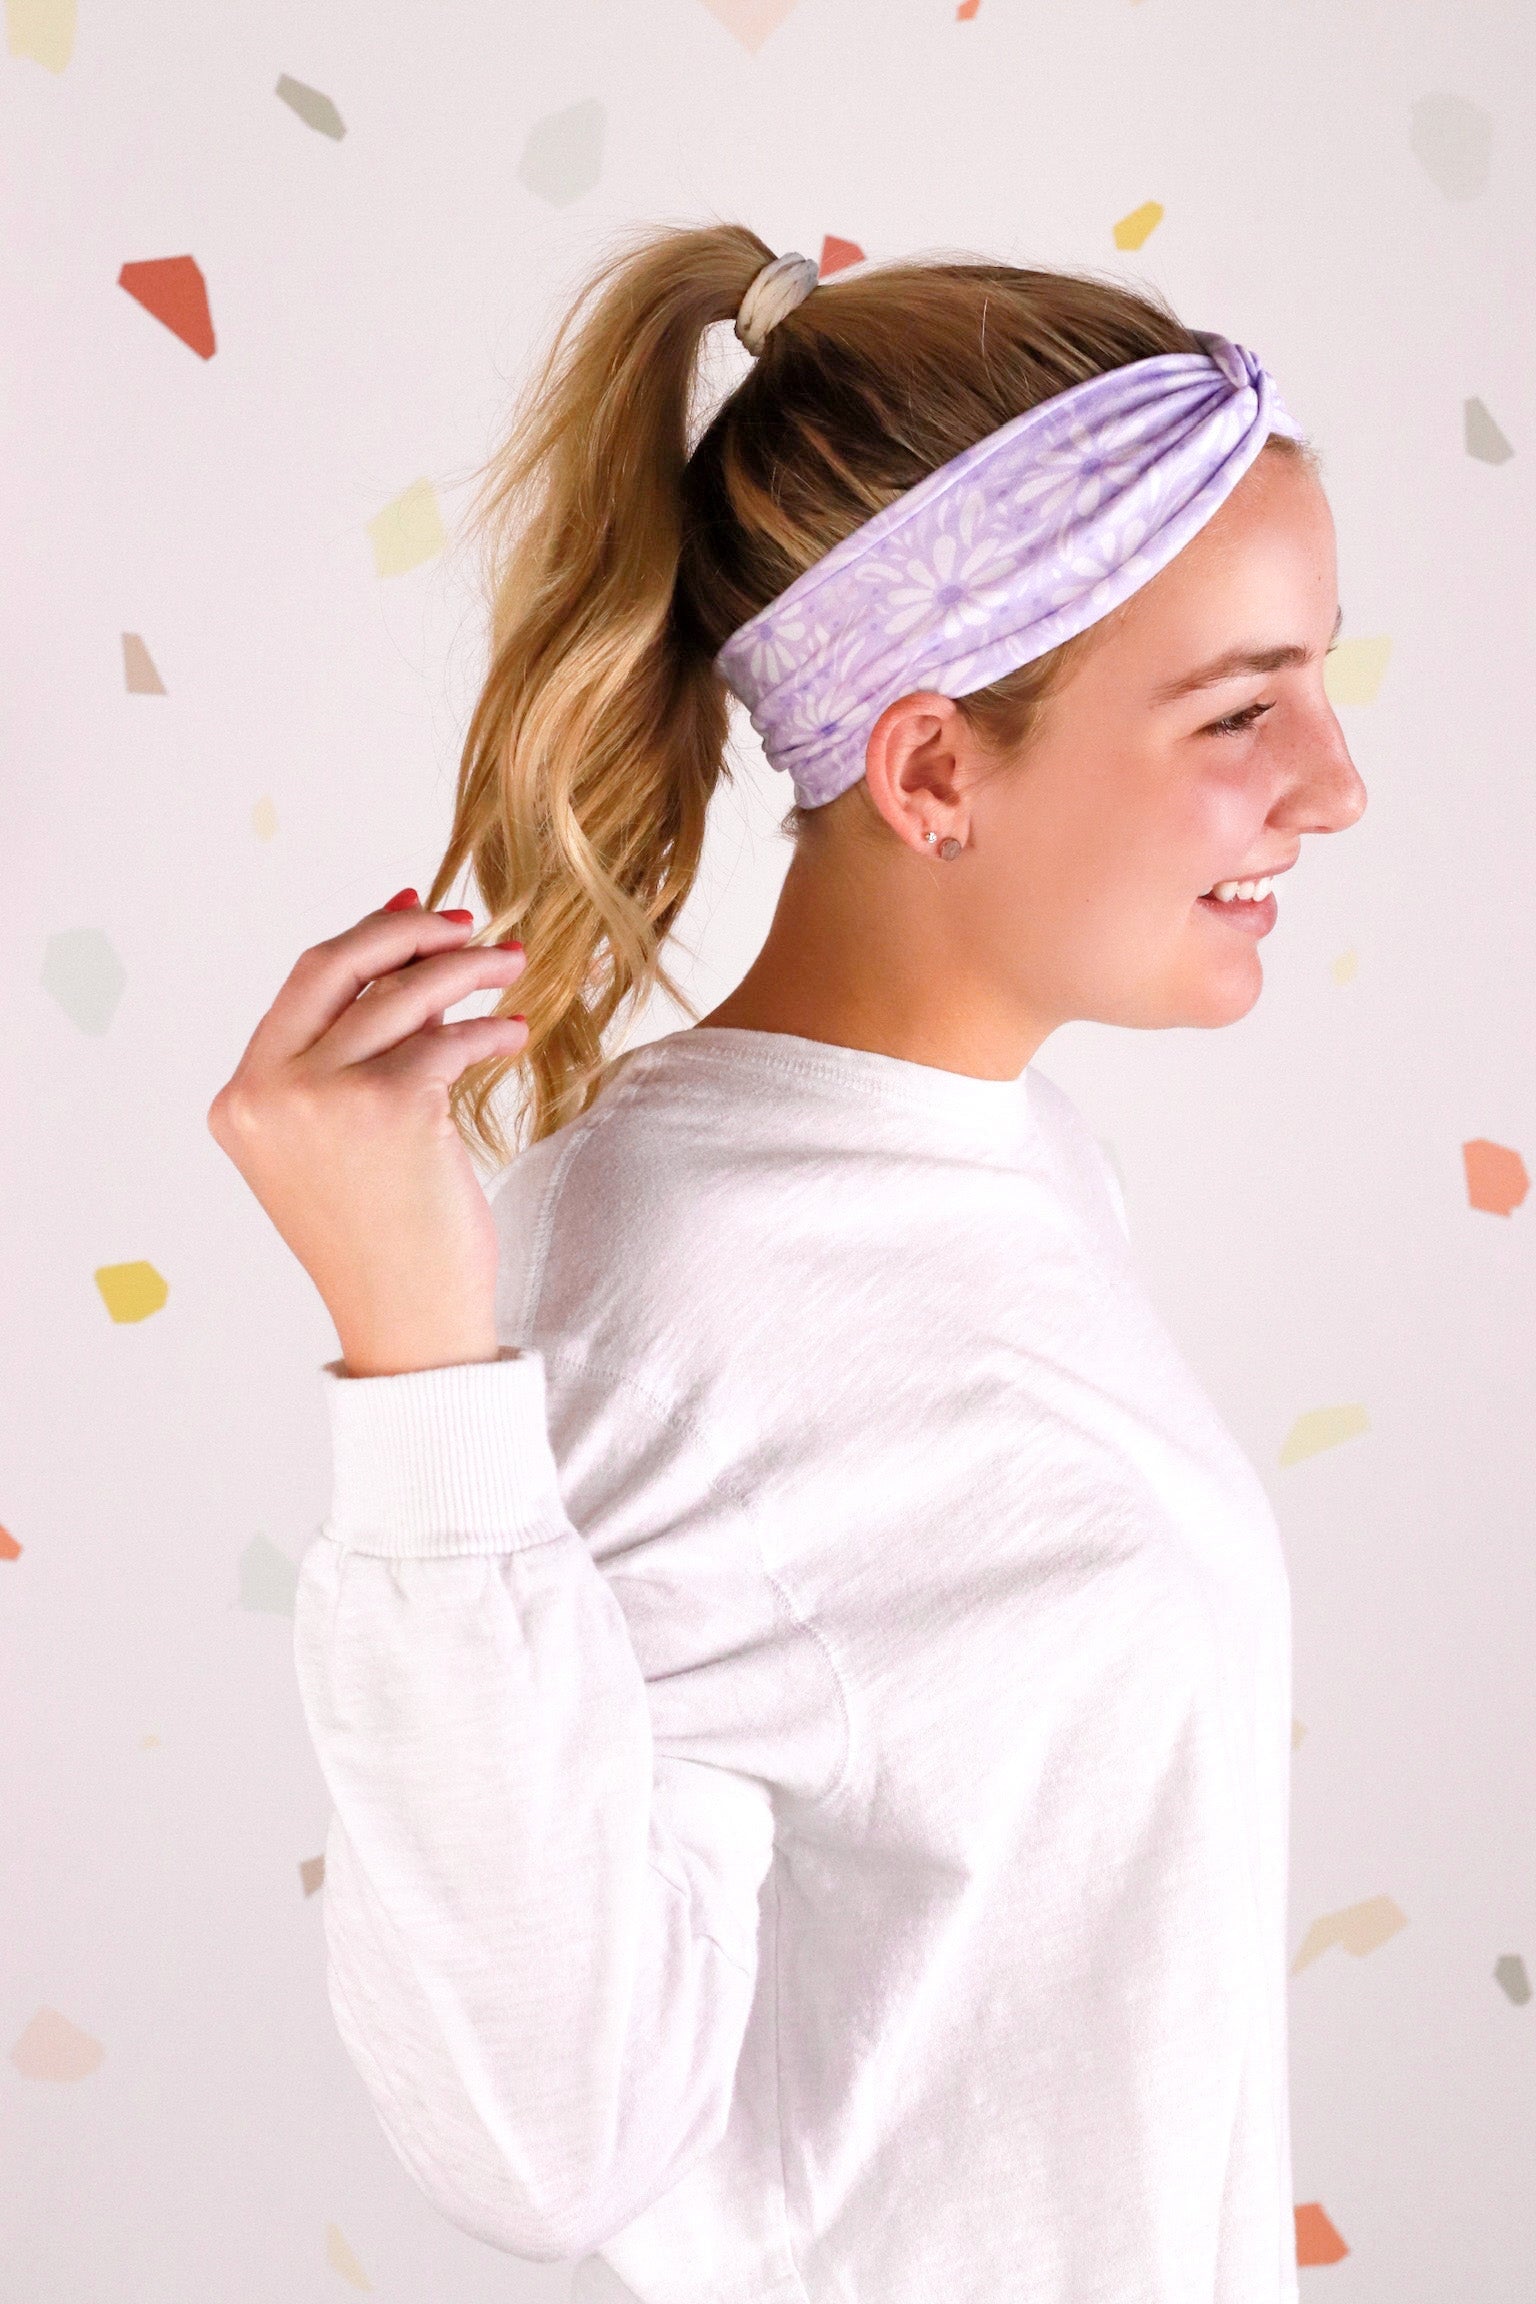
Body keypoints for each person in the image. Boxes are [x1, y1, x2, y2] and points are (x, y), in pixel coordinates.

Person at [208, 222, 1367, 2304]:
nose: (1337, 785)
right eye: (1237, 712)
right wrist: (417, 1376)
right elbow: (549, 2141)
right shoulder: (675, 1292)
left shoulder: (1016, 1157)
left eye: (1319, 684)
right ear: (929, 769)